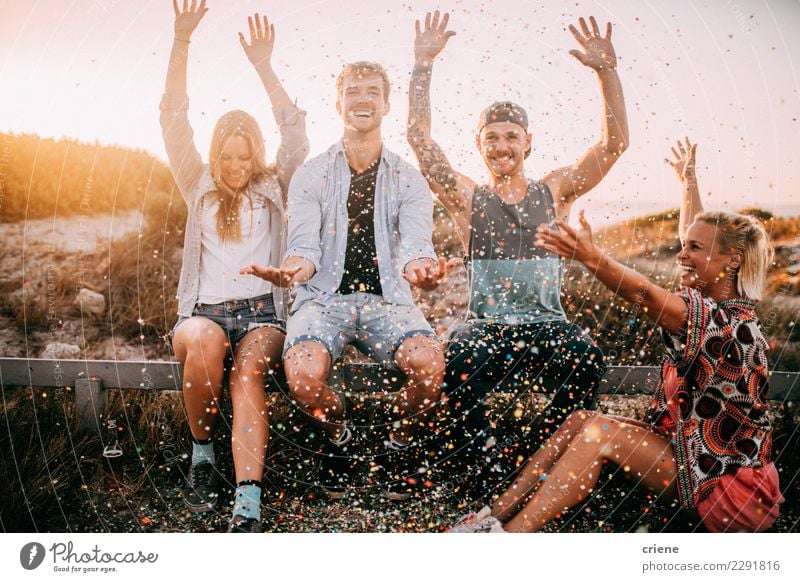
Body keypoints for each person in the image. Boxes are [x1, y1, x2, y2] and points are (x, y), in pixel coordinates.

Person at [449, 138, 783, 533]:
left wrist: (590, 257)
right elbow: (696, 236)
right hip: (693, 459)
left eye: (694, 248)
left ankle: (508, 538)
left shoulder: (717, 321)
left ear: (733, 260)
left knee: (600, 432)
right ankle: (489, 519)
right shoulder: (709, 299)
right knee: (581, 420)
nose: (682, 254)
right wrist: (688, 184)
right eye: (684, 245)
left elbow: (641, 291)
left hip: (728, 489)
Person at [406, 12, 628, 496]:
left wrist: (606, 73)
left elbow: (614, 145)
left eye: (511, 136)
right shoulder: (469, 199)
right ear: (479, 146)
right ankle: (482, 467)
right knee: (457, 353)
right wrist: (422, 68)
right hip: (487, 329)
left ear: (529, 141)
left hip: (548, 326)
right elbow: (421, 144)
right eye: (492, 138)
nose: (502, 145)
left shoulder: (555, 191)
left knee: (586, 358)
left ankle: (539, 453)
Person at [245, 61, 448, 501]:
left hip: (389, 300)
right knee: (301, 376)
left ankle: (395, 445)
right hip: (322, 301)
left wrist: (421, 269)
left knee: (431, 364)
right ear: (338, 103)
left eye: (372, 91)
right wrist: (293, 269)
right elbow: (304, 246)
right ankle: (342, 439)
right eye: (353, 91)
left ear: (386, 104)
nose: (362, 98)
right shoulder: (313, 173)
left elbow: (417, 244)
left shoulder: (408, 178)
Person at [160, 1, 308, 532]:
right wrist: (182, 41)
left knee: (248, 372)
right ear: (215, 152)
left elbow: (296, 135)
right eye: (229, 157)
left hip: (262, 316)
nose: (238, 168)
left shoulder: (272, 185)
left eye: (246, 157)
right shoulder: (195, 181)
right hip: (204, 312)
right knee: (204, 342)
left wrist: (264, 67)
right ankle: (203, 456)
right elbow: (172, 115)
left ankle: (248, 500)